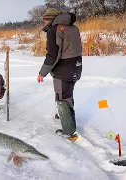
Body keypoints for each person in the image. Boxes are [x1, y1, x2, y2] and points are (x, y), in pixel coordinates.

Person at [37, 8, 83, 139]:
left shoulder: (54, 29)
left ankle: (68, 130)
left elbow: (53, 55)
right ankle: (62, 115)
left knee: (62, 97)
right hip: (76, 65)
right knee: (67, 92)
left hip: (63, 68)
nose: (43, 23)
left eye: (45, 20)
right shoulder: (73, 27)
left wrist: (42, 73)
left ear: (50, 19)